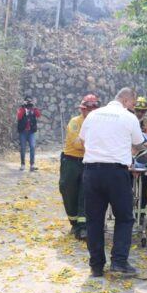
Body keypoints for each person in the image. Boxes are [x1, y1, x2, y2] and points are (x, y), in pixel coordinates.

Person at [80, 87, 146, 277]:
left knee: (94, 220)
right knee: (124, 218)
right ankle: (119, 262)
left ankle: (97, 266)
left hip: (91, 173)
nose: (133, 108)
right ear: (126, 100)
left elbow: (83, 141)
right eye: (133, 104)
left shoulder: (93, 116)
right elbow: (139, 143)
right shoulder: (128, 117)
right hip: (116, 174)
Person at [59, 94, 100, 241]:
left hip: (88, 161)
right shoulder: (75, 123)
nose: (89, 112)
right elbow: (76, 143)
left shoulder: (99, 124)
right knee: (68, 190)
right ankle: (74, 222)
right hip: (71, 161)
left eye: (92, 110)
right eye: (87, 109)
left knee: (85, 193)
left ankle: (83, 227)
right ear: (82, 110)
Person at [16, 96, 42, 171]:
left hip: (31, 132)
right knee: (23, 148)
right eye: (27, 102)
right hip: (23, 132)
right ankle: (22, 164)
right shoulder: (22, 109)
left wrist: (34, 106)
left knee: (33, 147)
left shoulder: (33, 109)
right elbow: (19, 117)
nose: (28, 104)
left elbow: (38, 115)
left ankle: (32, 165)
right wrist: (23, 107)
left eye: (29, 102)